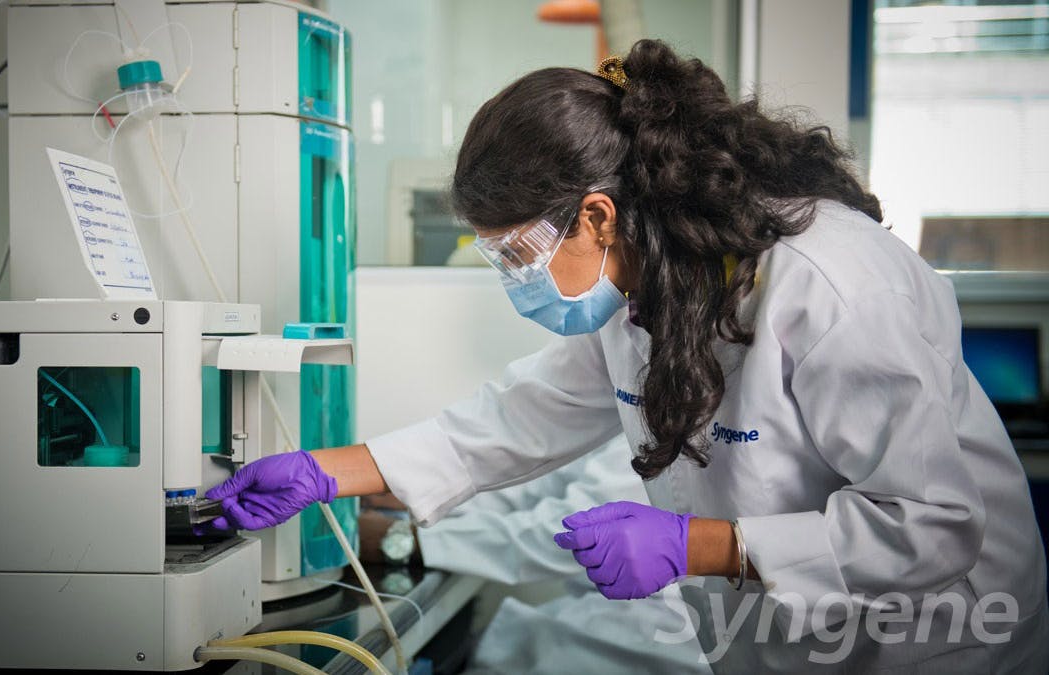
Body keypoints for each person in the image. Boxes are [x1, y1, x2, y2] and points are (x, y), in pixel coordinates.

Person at [207, 40, 1048, 672]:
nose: (511, 279)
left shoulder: (832, 285)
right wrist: (327, 470)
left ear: (598, 216)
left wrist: (699, 544)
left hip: (943, 638)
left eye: (516, 253)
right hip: (793, 639)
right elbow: (520, 417)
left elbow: (935, 525)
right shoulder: (649, 286)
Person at [358, 437, 711, 674]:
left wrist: (405, 541)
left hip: (651, 632)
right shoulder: (620, 400)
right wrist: (425, 498)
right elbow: (538, 485)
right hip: (599, 619)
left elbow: (575, 533)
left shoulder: (675, 411)